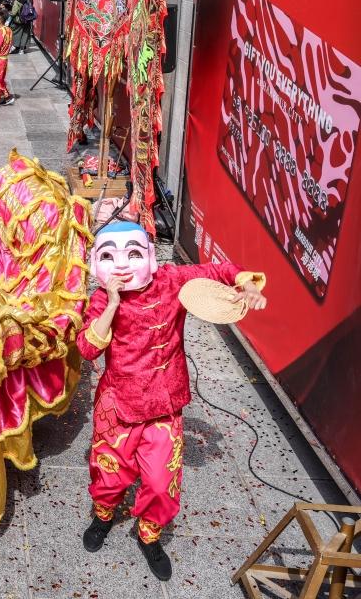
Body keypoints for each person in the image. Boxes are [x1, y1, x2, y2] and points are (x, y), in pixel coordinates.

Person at [78, 223, 266, 582]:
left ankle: (150, 535)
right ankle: (103, 517)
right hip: (119, 403)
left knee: (162, 482)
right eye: (109, 256)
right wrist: (113, 304)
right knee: (109, 473)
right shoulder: (102, 298)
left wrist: (247, 284)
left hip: (165, 403)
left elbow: (219, 270)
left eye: (133, 253)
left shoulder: (172, 280)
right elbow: (88, 349)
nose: (121, 264)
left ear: (150, 257)